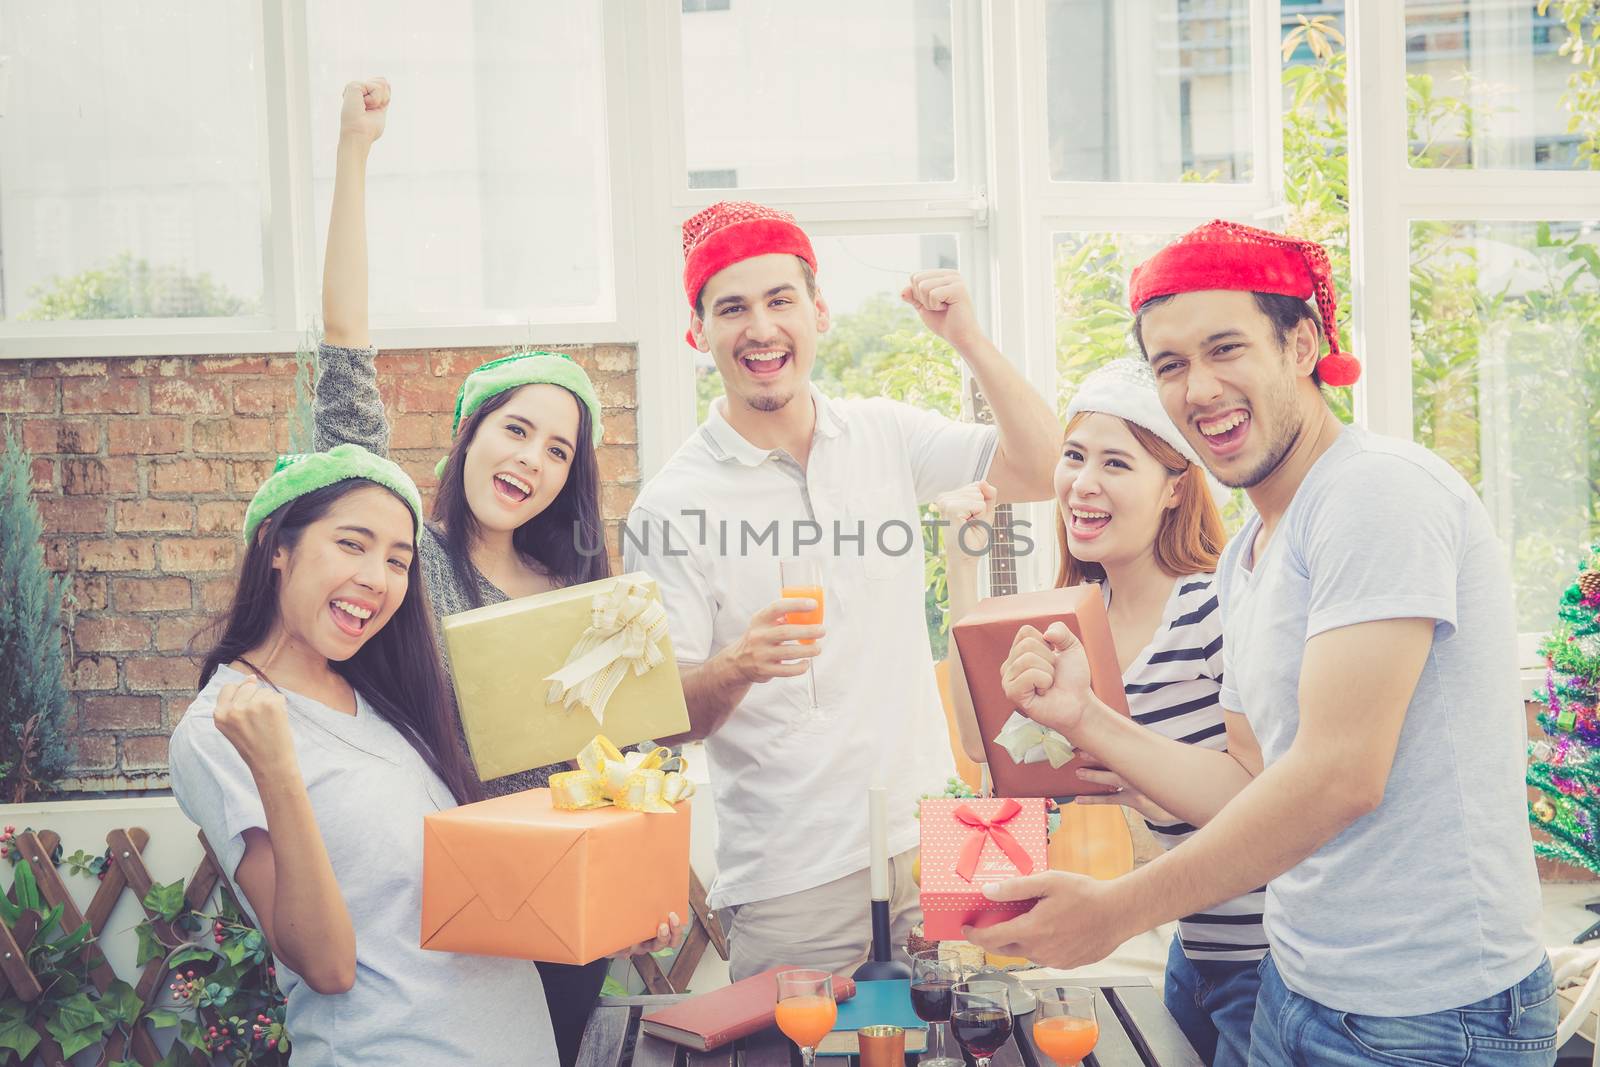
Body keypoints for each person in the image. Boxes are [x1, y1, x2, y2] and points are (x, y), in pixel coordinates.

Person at [975, 220, 1553, 1065]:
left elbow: (1338, 778)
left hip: (1427, 1018)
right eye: (1169, 364)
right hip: (1300, 986)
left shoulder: (1376, 491)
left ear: (1303, 344)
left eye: (1225, 348)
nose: (1198, 387)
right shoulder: (1250, 552)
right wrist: (1086, 716)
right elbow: (1245, 780)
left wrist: (1118, 909)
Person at [307, 78, 669, 1064]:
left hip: (569, 912)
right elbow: (343, 366)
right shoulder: (406, 562)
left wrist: (642, 881)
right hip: (444, 911)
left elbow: (631, 768)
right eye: (516, 428)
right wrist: (353, 152)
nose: (532, 460)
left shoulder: (583, 597)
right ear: (469, 435)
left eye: (558, 450)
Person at [625, 199, 1062, 980]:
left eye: (780, 299)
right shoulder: (669, 506)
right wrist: (739, 665)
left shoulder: (884, 433)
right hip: (792, 872)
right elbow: (661, 722)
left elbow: (1042, 464)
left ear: (819, 313)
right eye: (732, 308)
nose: (760, 327)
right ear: (698, 335)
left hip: (952, 823)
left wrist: (968, 339)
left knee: (987, 1036)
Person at [167, 445, 564, 1064]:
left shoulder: (388, 701)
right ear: (276, 543)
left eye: (398, 561)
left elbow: (458, 901)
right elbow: (325, 966)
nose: (377, 579)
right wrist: (277, 770)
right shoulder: (220, 728)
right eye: (352, 544)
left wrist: (612, 906)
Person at [938, 357, 1260, 1066]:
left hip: (1269, 966)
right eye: (1075, 456)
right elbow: (981, 738)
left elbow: (1267, 796)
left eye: (1117, 462)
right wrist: (964, 563)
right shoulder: (1084, 618)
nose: (1083, 482)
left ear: (1175, 487)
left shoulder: (1213, 606)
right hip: (1194, 951)